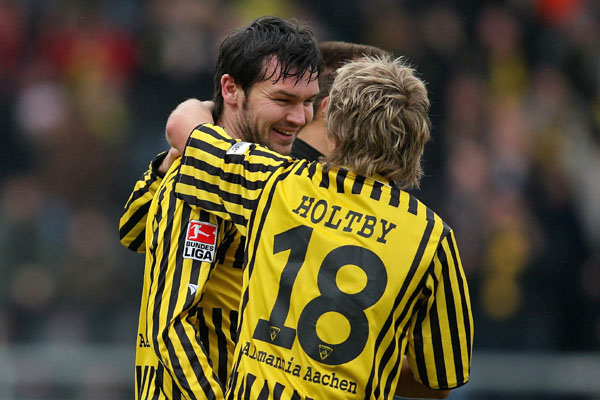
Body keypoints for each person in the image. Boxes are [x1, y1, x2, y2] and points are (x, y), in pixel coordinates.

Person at [167, 55, 473, 399]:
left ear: (331, 120)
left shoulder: (276, 183)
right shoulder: (432, 238)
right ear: (419, 137)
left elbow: (186, 128)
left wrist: (202, 105)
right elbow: (442, 380)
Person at [120, 16, 321, 400]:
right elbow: (171, 327)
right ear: (231, 89)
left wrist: (170, 160)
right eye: (282, 100)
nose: (299, 118)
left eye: (307, 102)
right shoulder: (202, 187)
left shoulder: (261, 175)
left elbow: (134, 232)